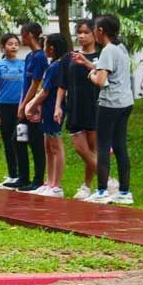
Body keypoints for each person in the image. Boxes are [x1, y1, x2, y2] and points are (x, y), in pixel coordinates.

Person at [73, 15, 134, 205]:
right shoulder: (121, 48)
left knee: (102, 146)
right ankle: (124, 192)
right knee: (120, 146)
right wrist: (88, 63)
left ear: (100, 31)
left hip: (109, 104)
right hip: (125, 102)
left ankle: (101, 191)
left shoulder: (107, 50)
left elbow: (100, 80)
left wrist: (90, 73)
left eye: (94, 30)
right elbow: (107, 70)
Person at [56, 19, 101, 199]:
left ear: (95, 34)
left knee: (93, 148)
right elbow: (62, 85)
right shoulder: (69, 57)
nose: (81, 36)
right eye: (79, 32)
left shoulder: (102, 56)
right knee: (81, 149)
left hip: (96, 107)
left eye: (86, 32)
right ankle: (108, 180)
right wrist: (58, 106)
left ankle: (87, 186)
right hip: (75, 107)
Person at [2, 23, 47, 192]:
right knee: (18, 139)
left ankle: (38, 180)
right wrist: (21, 104)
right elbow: (26, 84)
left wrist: (26, 105)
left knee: (35, 143)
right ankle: (23, 177)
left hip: (35, 108)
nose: (21, 38)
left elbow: (36, 84)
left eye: (22, 34)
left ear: (29, 34)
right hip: (25, 105)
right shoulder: (29, 57)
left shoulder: (40, 57)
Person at [24, 34, 68, 197]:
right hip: (47, 110)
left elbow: (45, 91)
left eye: (46, 45)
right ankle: (49, 183)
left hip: (54, 110)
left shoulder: (56, 66)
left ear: (51, 48)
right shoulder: (53, 65)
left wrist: (30, 105)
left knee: (56, 146)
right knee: (48, 147)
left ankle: (57, 186)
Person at [0, 34, 24, 189]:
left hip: (21, 107)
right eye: (10, 44)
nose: (14, 47)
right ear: (3, 47)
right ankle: (12, 174)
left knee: (21, 140)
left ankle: (23, 175)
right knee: (9, 141)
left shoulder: (24, 64)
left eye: (16, 44)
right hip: (4, 107)